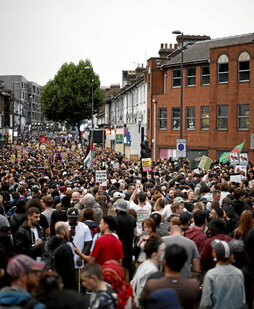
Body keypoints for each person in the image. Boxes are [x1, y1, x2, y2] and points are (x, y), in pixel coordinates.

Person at [141, 244, 200, 309]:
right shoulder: (193, 286)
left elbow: (143, 304)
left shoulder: (151, 285)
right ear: (183, 263)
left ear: (164, 262)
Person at [200, 240, 245, 309]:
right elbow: (242, 300)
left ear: (214, 254)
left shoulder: (211, 275)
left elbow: (206, 303)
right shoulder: (239, 273)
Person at [130, 236, 165, 307]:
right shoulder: (151, 270)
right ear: (154, 255)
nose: (165, 253)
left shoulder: (145, 264)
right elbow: (141, 292)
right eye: (163, 250)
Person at [43, 221, 76, 290]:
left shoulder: (46, 244)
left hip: (48, 282)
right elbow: (70, 273)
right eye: (67, 230)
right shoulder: (66, 248)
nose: (68, 232)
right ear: (63, 231)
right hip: (62, 285)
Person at [114, 199, 136, 282]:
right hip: (129, 246)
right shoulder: (132, 218)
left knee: (119, 268)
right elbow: (135, 233)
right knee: (127, 269)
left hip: (119, 247)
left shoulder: (115, 219)